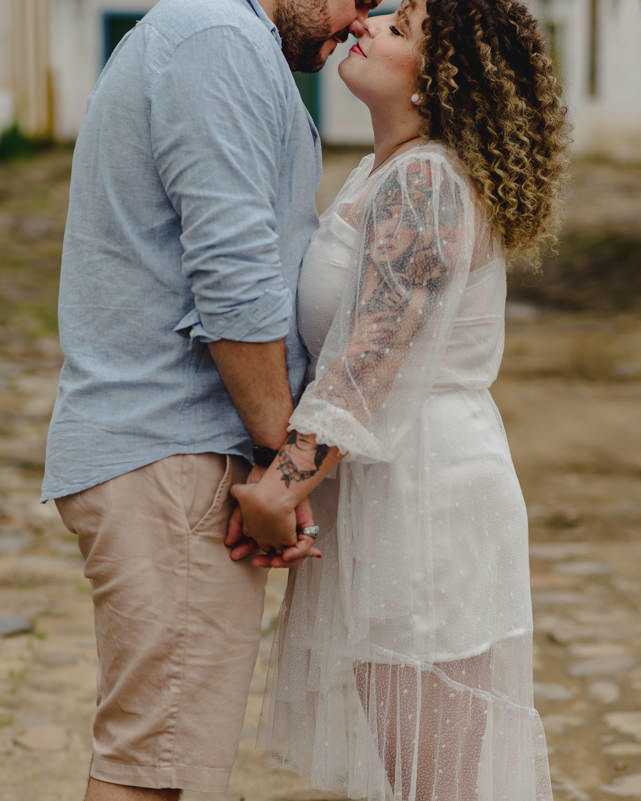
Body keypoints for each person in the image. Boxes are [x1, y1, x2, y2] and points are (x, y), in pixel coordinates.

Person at [225, 0, 568, 799]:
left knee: (434, 782)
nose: (368, 24)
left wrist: (278, 491)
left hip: (427, 494)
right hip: (398, 479)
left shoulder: (423, 181)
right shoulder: (389, 169)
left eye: (401, 27)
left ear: (435, 81)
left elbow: (365, 362)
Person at [41, 0, 377, 797]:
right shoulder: (218, 41)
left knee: (159, 756)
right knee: (154, 770)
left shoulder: (227, 43)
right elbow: (233, 279)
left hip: (174, 453)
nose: (365, 17)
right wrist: (277, 464)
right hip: (174, 453)